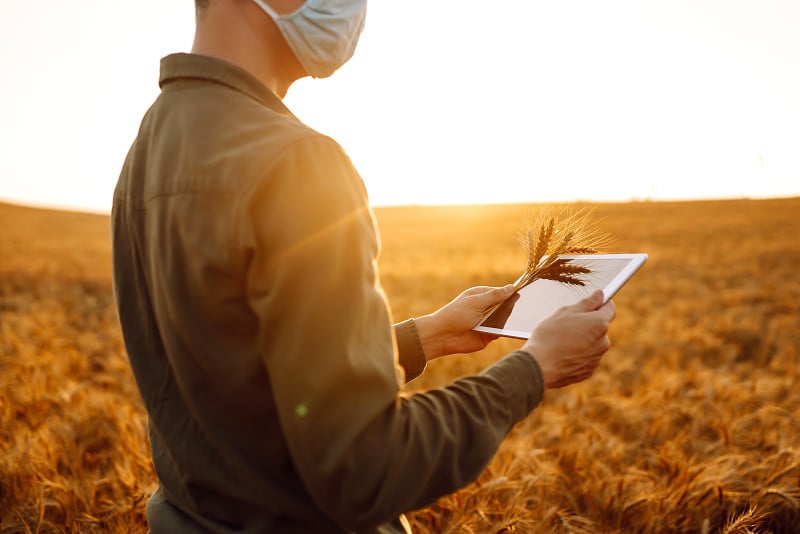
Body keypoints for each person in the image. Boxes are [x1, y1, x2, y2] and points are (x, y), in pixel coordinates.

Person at [110, 0, 617, 532]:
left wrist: (426, 337)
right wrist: (533, 370)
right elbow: (365, 467)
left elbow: (232, 385)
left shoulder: (151, 143)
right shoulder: (296, 163)